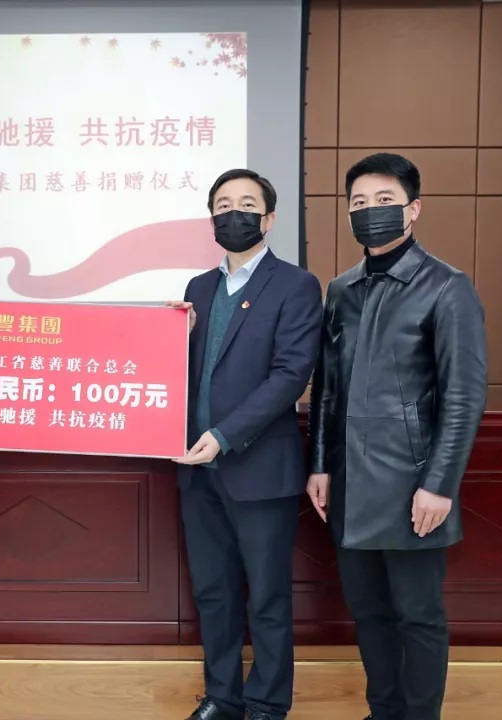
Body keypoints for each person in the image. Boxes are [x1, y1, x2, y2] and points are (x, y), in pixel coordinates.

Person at [306, 152, 487, 720]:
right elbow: (327, 388)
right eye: (359, 202)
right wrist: (320, 465)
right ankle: (382, 711)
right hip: (349, 483)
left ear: (413, 209)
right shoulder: (341, 290)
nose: (370, 211)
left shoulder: (447, 287)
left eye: (384, 200)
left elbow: (463, 396)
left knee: (418, 615)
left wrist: (439, 484)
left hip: (413, 485)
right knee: (368, 613)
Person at [166, 169, 323, 720]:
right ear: (212, 218)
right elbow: (188, 373)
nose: (234, 213)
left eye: (247, 204)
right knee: (213, 592)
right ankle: (222, 697)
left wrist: (224, 436)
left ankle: (267, 705)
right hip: (196, 469)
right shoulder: (198, 289)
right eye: (224, 204)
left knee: (268, 597)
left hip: (259, 468)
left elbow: (289, 375)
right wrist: (172, 341)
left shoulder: (296, 285)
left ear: (269, 218)